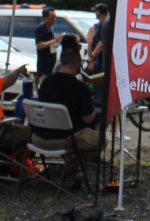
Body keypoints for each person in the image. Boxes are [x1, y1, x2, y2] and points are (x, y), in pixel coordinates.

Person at [31, 36, 100, 178]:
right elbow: (88, 119)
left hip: (38, 137)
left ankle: (66, 169)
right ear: (76, 63)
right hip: (65, 140)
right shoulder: (80, 88)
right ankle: (67, 167)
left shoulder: (46, 83)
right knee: (101, 140)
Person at [34, 6, 64, 86]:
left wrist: (57, 43)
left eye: (55, 17)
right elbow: (39, 45)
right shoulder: (40, 29)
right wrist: (55, 40)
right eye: (52, 17)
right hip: (44, 62)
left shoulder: (51, 28)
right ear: (46, 17)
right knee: (44, 83)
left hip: (52, 60)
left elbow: (51, 44)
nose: (54, 19)